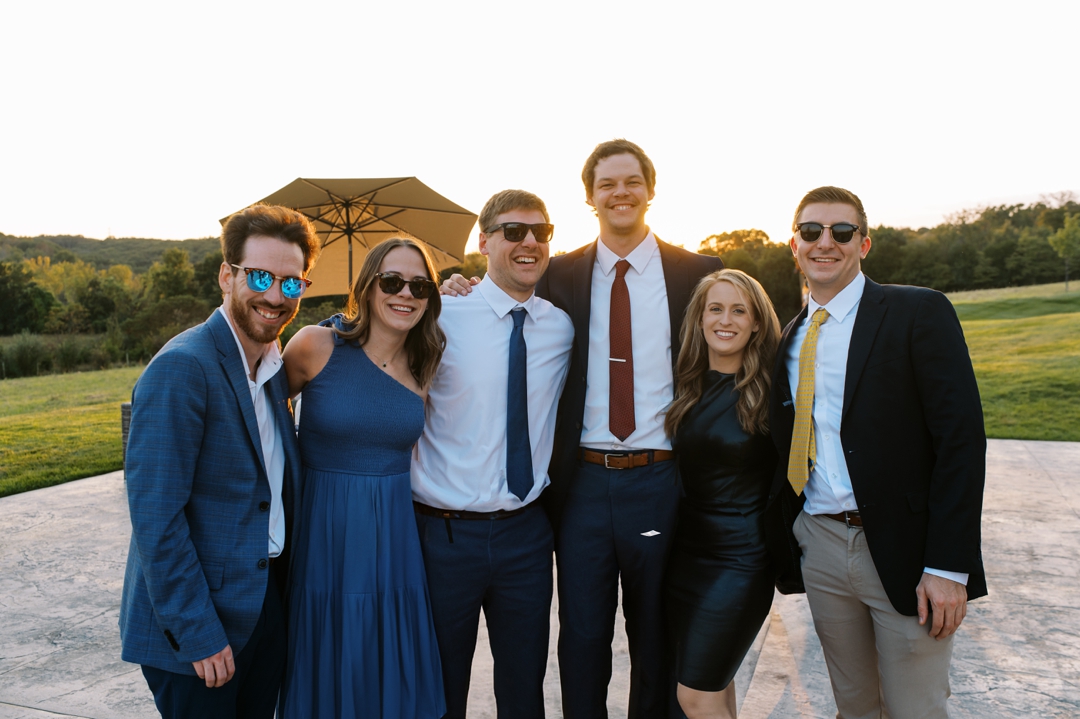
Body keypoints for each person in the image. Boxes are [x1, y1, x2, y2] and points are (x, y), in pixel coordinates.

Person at [444, 140, 723, 717]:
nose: (619, 193)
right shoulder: (558, 273)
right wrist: (455, 286)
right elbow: (504, 299)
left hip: (661, 479)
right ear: (590, 198)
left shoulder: (698, 274)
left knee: (656, 634)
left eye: (630, 182)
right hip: (584, 486)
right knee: (583, 635)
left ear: (650, 189)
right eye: (606, 184)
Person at [765, 186, 987, 719]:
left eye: (842, 232)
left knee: (916, 709)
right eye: (811, 231)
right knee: (855, 707)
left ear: (864, 244)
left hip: (907, 552)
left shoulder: (917, 311)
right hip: (820, 542)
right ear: (793, 243)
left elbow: (961, 441)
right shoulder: (790, 335)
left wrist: (948, 567)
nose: (826, 243)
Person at [120, 204, 321, 719]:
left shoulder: (274, 368)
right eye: (260, 276)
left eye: (291, 283)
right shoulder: (183, 369)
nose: (275, 296)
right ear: (226, 275)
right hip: (200, 630)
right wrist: (198, 633)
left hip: (262, 607)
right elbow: (156, 520)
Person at [412, 189, 574, 719]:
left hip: (526, 536)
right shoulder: (438, 317)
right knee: (439, 690)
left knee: (525, 692)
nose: (529, 242)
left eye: (541, 232)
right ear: (483, 241)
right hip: (444, 537)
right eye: (513, 231)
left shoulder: (561, 327)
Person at [280, 236, 446, 718]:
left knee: (386, 663)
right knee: (329, 654)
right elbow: (264, 423)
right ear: (368, 287)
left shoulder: (427, 362)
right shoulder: (315, 345)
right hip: (324, 534)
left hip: (394, 539)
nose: (406, 294)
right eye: (392, 281)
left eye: (420, 286)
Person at [663, 269, 781, 719]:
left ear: (755, 323)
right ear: (699, 318)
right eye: (715, 308)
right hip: (685, 556)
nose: (725, 319)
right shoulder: (685, 385)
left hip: (741, 560)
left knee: (695, 697)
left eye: (739, 310)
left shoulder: (772, 392)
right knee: (717, 688)